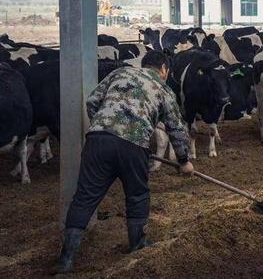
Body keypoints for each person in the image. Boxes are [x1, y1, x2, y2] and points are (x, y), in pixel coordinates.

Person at [53, 50, 194, 274]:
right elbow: (176, 128)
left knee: (84, 197)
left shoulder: (119, 73)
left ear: (143, 64)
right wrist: (184, 159)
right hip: (134, 145)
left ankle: (66, 258)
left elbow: (92, 101)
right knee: (137, 194)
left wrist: (104, 125)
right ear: (164, 70)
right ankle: (137, 244)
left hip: (98, 140)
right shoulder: (164, 90)